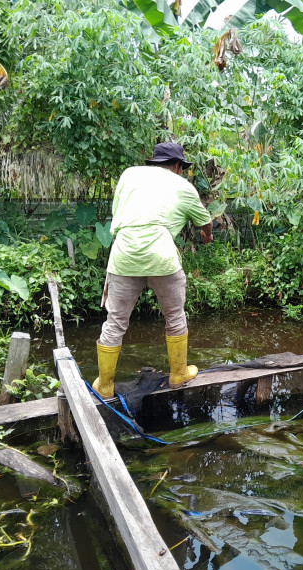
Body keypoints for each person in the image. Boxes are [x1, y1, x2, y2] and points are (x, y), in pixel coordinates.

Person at [92, 141, 213, 397]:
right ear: (178, 166)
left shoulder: (129, 174)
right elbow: (205, 221)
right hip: (161, 256)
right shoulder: (183, 185)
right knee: (175, 316)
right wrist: (207, 236)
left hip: (124, 253)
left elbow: (119, 211)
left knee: (114, 322)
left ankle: (104, 385)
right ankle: (178, 374)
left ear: (153, 162)